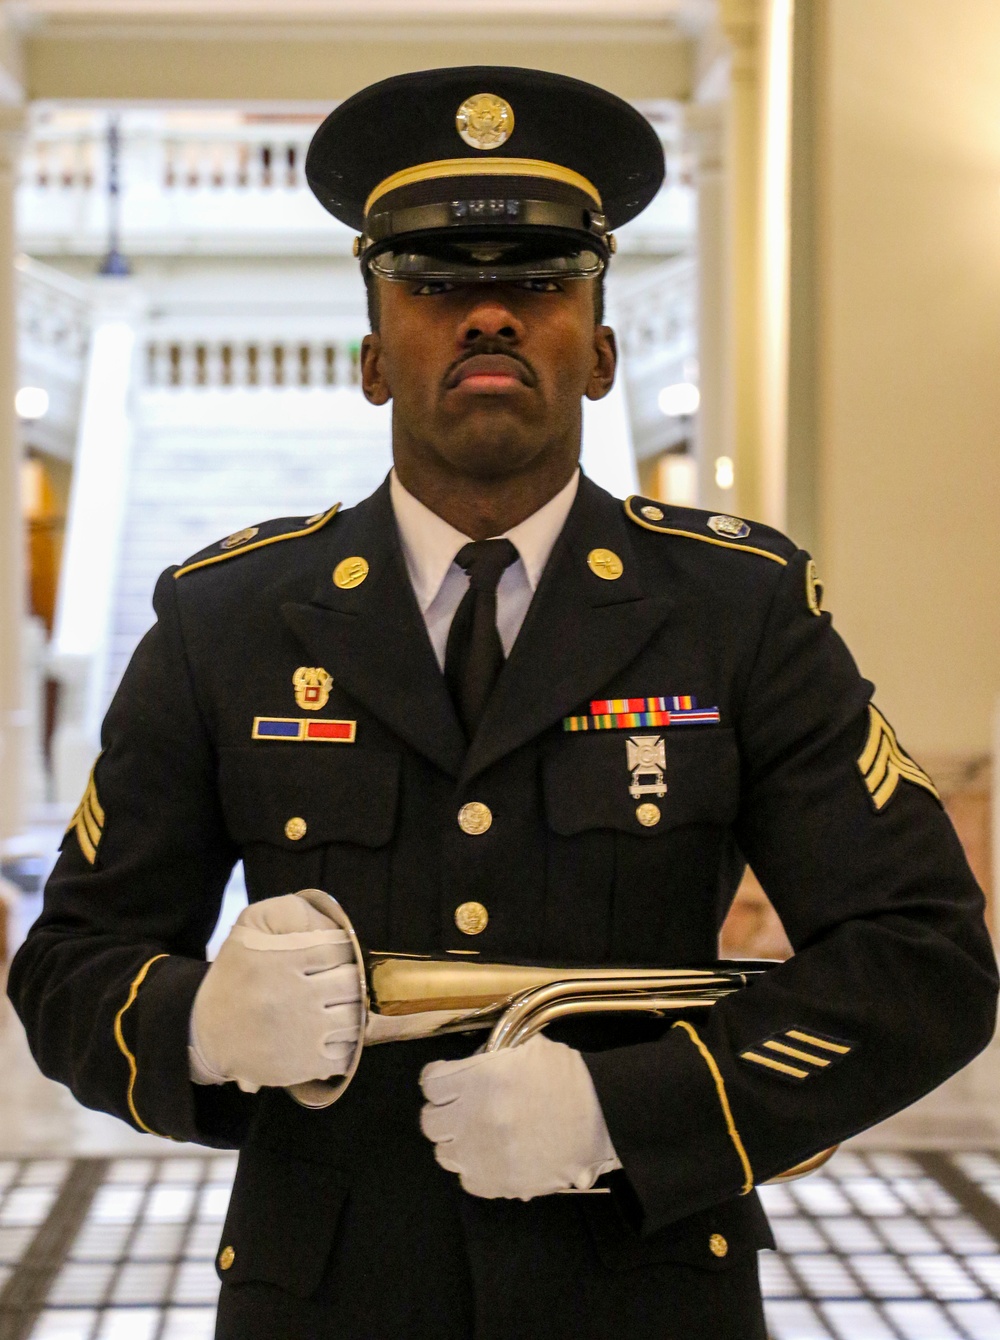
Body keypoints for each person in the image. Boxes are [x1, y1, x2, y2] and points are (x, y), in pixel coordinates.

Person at [9, 66, 997, 1340]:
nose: (488, 313)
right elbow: (68, 965)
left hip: (644, 1290)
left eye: (537, 280)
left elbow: (922, 960)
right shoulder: (229, 619)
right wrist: (196, 1022)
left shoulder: (736, 610)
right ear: (371, 354)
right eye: (431, 283)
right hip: (324, 1300)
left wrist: (630, 1112)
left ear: (599, 346)